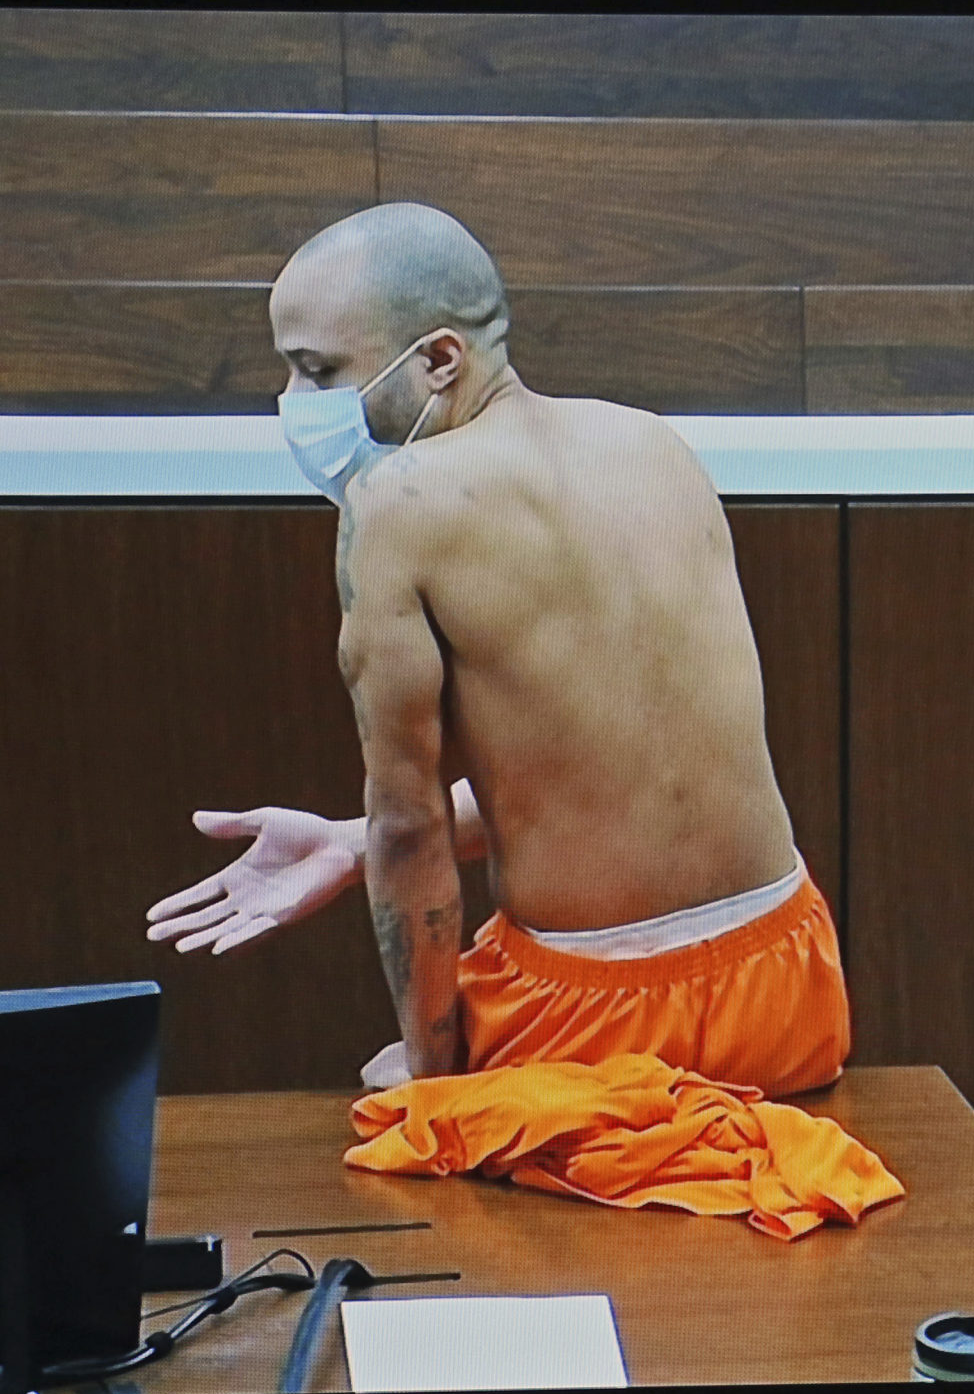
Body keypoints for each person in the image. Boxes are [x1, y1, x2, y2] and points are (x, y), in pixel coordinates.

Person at [143, 203, 851, 1100]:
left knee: (391, 1096)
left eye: (318, 370)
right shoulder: (650, 440)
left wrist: (435, 1076)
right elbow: (597, 773)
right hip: (790, 984)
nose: (295, 402)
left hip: (607, 1026)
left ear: (441, 358)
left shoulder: (393, 504)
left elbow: (413, 826)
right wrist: (345, 842)